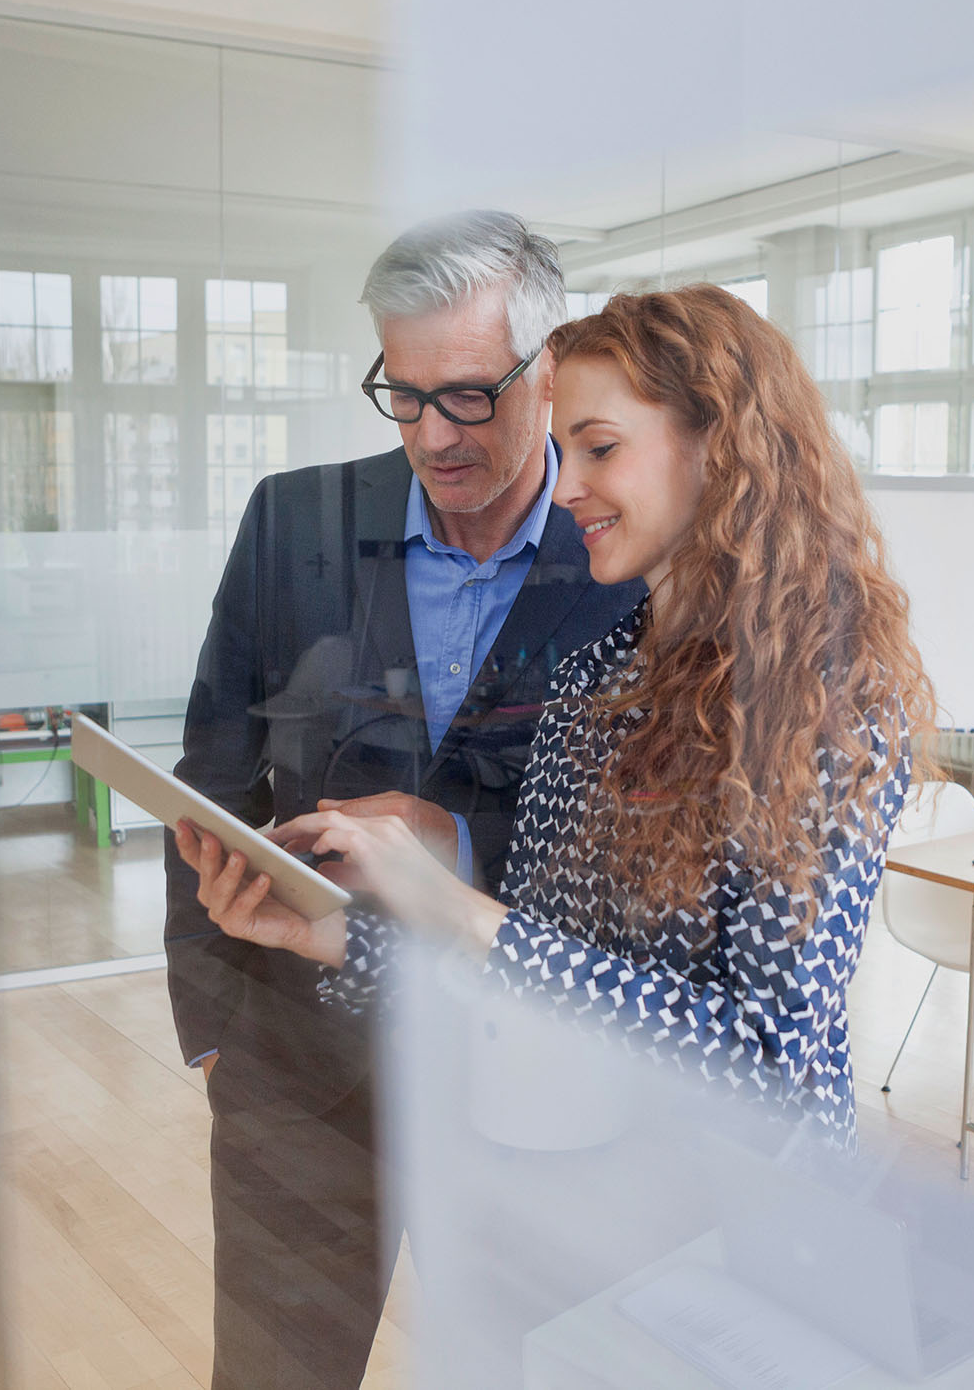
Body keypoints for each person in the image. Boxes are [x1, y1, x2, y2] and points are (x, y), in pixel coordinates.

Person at [175, 283, 937, 1145]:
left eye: (600, 448)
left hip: (721, 1218)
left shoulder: (828, 705)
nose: (566, 486)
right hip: (558, 1179)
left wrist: (464, 911)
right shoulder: (595, 675)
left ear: (719, 449)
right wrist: (327, 933)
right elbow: (527, 974)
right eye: (563, 448)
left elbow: (763, 1060)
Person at [163, 211, 643, 1390]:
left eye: (471, 395)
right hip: (298, 1068)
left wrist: (462, 843)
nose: (435, 434)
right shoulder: (293, 523)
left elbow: (645, 853)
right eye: (405, 391)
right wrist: (216, 1028)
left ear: (552, 368)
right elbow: (213, 771)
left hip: (530, 1083)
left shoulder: (630, 557)